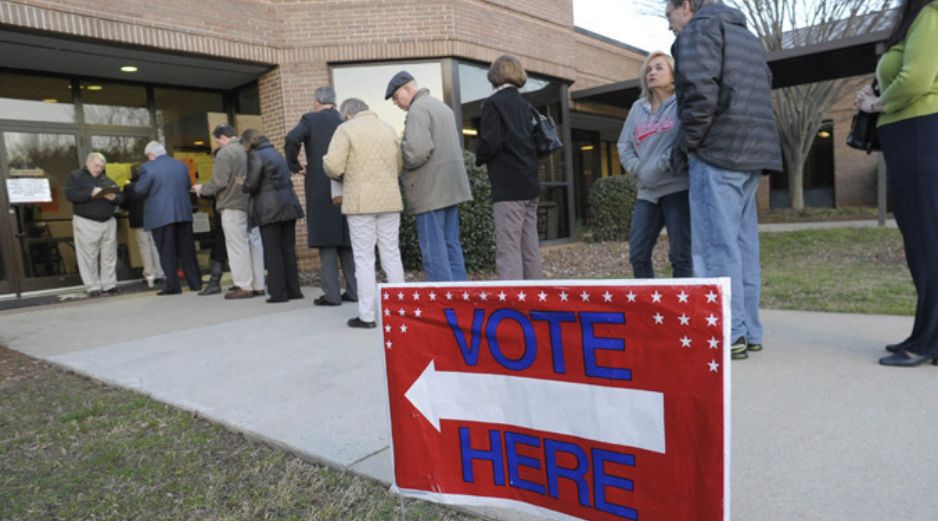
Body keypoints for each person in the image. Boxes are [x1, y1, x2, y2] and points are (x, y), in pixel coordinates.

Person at [666, 0, 782, 360]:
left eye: (669, 16)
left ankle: (727, 334)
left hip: (717, 152)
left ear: (685, 6)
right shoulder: (746, 36)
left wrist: (688, 145)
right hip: (754, 153)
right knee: (744, 248)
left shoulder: (697, 31)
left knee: (715, 248)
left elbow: (698, 95)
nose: (669, 25)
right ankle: (749, 330)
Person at [854, 0, 938, 367]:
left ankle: (929, 341)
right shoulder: (916, 17)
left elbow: (916, 79)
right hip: (911, 137)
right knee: (923, 239)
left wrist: (875, 106)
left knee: (927, 240)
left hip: (920, 134)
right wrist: (874, 93)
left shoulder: (930, 14)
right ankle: (926, 333)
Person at [323, 98, 405, 329]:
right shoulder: (388, 129)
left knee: (364, 259)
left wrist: (329, 165)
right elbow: (399, 165)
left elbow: (333, 165)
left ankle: (367, 316)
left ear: (348, 115)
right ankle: (400, 312)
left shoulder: (346, 129)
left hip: (361, 202)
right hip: (390, 200)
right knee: (391, 254)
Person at [386, 70, 472, 282]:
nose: (396, 103)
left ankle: (442, 297)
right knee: (451, 244)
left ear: (407, 88)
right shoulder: (442, 107)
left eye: (396, 97)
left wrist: (400, 153)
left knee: (434, 250)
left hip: (430, 191)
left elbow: (416, 153)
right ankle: (459, 294)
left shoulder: (418, 109)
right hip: (450, 189)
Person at [617, 51, 691, 279]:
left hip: (677, 189)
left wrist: (660, 165)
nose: (652, 73)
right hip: (647, 192)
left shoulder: (681, 103)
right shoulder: (638, 107)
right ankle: (649, 301)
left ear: (673, 74)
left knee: (680, 256)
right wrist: (639, 168)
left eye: (659, 68)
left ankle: (682, 302)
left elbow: (684, 142)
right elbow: (624, 145)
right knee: (638, 255)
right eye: (649, 69)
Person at [284, 86, 357, 307]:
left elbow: (291, 139)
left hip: (320, 187)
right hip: (348, 184)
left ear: (317, 102)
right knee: (347, 241)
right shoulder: (345, 119)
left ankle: (332, 295)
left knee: (327, 243)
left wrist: (295, 166)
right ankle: (354, 291)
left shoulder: (310, 120)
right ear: (335, 102)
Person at [475, 55, 544, 281]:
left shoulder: (493, 104)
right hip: (530, 184)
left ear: (495, 75)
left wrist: (479, 156)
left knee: (509, 248)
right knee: (530, 246)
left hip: (508, 187)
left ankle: (513, 298)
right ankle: (536, 294)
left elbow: (490, 143)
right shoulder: (525, 105)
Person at [195, 124, 265, 300]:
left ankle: (244, 286)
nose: (218, 144)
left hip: (232, 204)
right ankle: (258, 285)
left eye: (218, 141)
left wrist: (202, 189)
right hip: (252, 204)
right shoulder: (249, 148)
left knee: (237, 246)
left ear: (223, 138)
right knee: (254, 244)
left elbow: (219, 182)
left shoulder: (225, 153)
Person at [241, 130, 305, 304]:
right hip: (289, 204)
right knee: (288, 250)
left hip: (269, 208)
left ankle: (278, 293)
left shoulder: (255, 155)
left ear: (248, 142)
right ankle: (294, 290)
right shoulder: (276, 153)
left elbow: (252, 184)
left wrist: (243, 184)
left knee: (273, 251)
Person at [134, 141, 202, 295]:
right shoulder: (181, 166)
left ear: (151, 154)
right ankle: (195, 283)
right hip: (183, 214)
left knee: (167, 251)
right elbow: (187, 185)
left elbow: (140, 190)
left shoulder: (147, 168)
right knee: (187, 250)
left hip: (161, 216)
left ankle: (173, 286)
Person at [65, 152, 122, 296]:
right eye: (96, 166)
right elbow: (70, 195)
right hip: (87, 222)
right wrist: (91, 193)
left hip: (108, 222)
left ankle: (109, 285)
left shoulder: (107, 180)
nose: (99, 169)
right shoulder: (76, 177)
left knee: (109, 256)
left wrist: (114, 197)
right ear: (87, 163)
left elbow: (122, 198)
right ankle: (93, 287)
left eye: (101, 167)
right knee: (88, 257)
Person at [122, 165, 165, 288]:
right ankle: (160, 273)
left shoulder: (129, 187)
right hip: (154, 218)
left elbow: (124, 203)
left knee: (144, 247)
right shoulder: (151, 184)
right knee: (155, 245)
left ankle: (149, 274)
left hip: (139, 220)